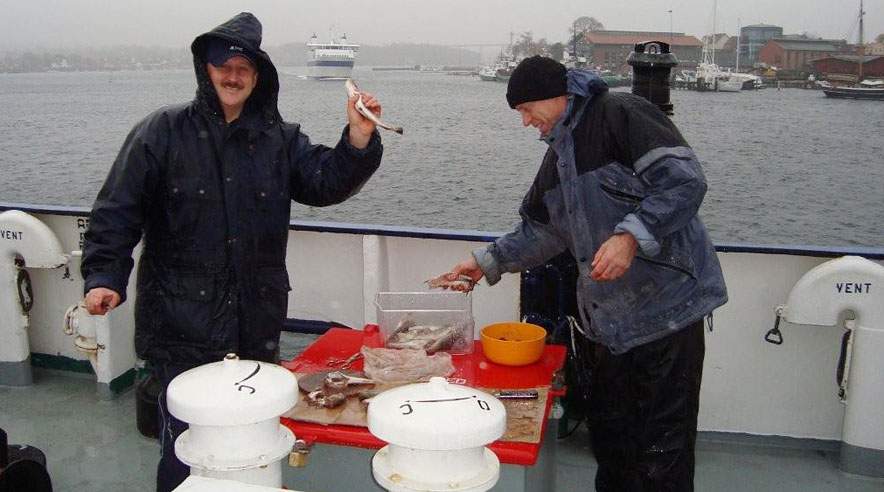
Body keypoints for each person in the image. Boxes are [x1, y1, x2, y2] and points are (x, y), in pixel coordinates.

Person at [79, 12, 383, 492]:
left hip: (254, 323)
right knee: (186, 450)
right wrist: (103, 277)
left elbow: (324, 181)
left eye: (244, 66)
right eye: (223, 64)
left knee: (253, 446)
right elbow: (117, 211)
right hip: (179, 328)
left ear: (258, 76)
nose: (233, 74)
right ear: (206, 68)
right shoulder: (161, 131)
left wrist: (359, 138)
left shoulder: (279, 140)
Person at [443, 56, 727, 491]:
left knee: (661, 451)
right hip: (609, 326)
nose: (524, 123)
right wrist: (486, 263)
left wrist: (630, 236)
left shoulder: (622, 114)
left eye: (525, 110)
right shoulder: (557, 157)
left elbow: (684, 181)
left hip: (668, 315)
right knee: (612, 444)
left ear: (554, 97)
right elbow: (542, 233)